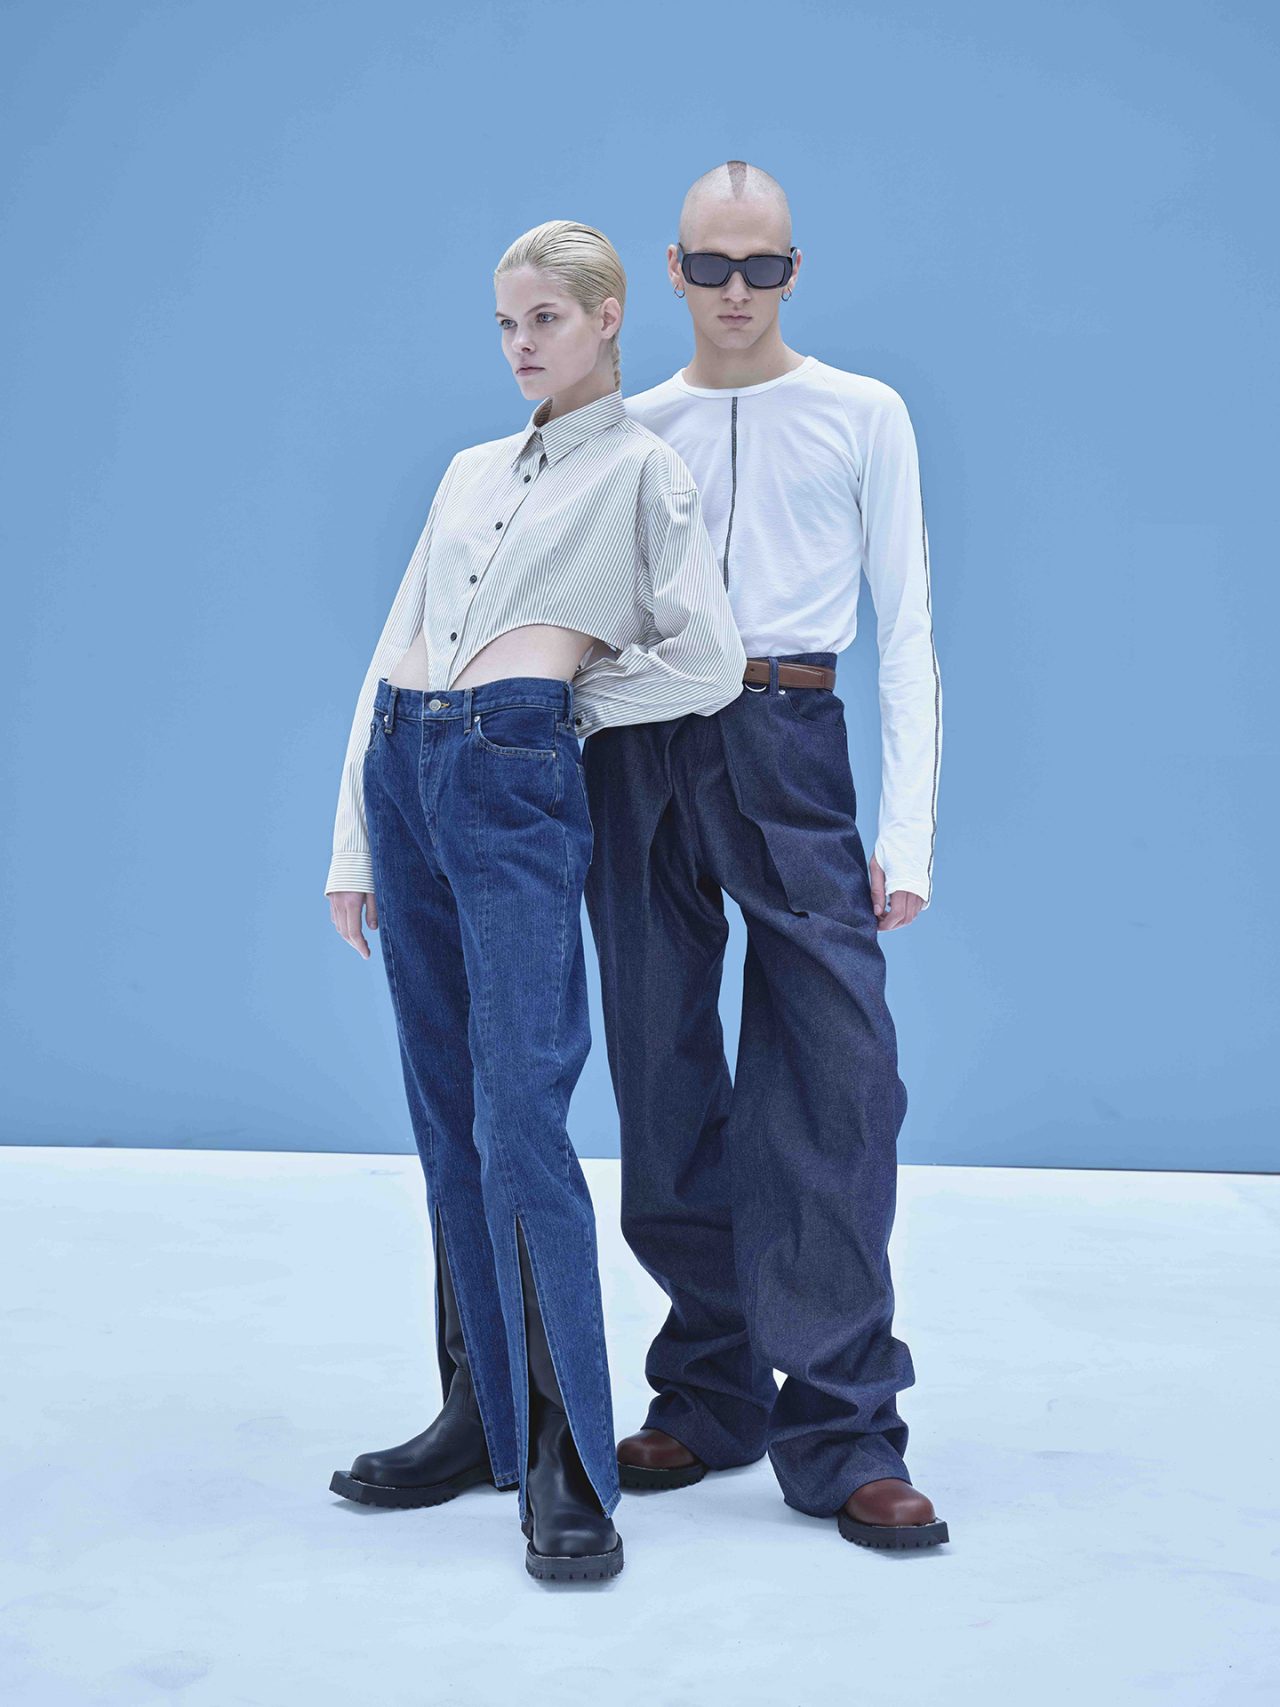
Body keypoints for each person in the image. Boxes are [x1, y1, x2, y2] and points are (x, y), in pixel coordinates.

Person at [322, 218, 747, 1582]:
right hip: (405, 762)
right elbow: (392, 650)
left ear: (609, 318)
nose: (521, 344)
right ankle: (479, 1415)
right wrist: (351, 845)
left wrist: (554, 711)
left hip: (510, 773)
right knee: (443, 1107)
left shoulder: (641, 472)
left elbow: (709, 659)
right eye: (506, 324)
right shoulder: (465, 473)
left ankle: (568, 1455)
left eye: (546, 320)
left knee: (520, 1112)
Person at [582, 162, 950, 1550]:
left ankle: (846, 1428)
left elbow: (907, 626)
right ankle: (710, 1384)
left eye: (765, 266)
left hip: (790, 736)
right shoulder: (632, 426)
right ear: (672, 273)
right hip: (639, 744)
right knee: (660, 1063)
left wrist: (904, 833)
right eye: (713, 266)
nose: (738, 291)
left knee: (837, 1079)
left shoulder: (863, 413)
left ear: (797, 272)